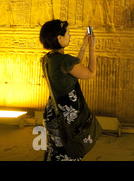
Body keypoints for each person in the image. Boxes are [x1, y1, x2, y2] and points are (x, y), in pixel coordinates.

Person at [39, 19, 97, 161]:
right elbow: (90, 73)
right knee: (68, 154)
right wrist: (92, 48)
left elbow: (75, 68)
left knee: (55, 153)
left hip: (53, 113)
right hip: (67, 119)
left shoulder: (47, 59)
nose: (70, 36)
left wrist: (83, 45)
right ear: (59, 38)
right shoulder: (64, 60)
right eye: (68, 33)